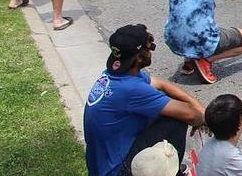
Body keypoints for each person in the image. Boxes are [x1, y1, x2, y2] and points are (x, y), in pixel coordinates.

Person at [84, 23, 205, 176]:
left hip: (102, 166)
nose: (152, 50)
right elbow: (191, 115)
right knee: (176, 120)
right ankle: (170, 171)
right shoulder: (131, 88)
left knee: (166, 105)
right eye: (150, 47)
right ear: (140, 56)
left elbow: (161, 84)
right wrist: (203, 117)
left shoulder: (117, 75)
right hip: (118, 171)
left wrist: (198, 106)